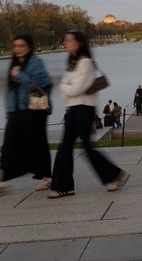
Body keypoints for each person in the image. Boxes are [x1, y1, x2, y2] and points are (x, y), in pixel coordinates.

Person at [49, 30, 129, 198]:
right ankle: (65, 185)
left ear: (78, 43)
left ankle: (114, 175)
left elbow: (75, 88)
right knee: (66, 148)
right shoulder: (73, 63)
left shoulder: (85, 63)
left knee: (83, 147)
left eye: (69, 40)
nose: (66, 43)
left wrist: (65, 87)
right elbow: (69, 88)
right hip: (74, 109)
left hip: (83, 110)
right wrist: (67, 88)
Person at [0, 35, 53, 194]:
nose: (18, 49)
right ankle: (4, 180)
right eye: (15, 46)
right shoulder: (14, 64)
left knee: (38, 143)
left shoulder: (35, 63)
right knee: (9, 143)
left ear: (29, 47)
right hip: (17, 110)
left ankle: (47, 177)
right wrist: (9, 111)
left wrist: (19, 75)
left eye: (22, 46)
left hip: (35, 110)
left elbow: (42, 86)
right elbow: (10, 91)